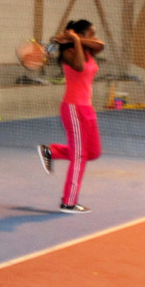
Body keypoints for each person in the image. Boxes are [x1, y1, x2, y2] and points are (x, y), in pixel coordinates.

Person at [37, 19, 104, 213]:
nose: (95, 36)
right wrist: (73, 41)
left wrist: (76, 38)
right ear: (82, 34)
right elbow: (80, 67)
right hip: (73, 108)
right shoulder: (68, 53)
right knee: (80, 156)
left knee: (93, 152)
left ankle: (51, 151)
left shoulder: (91, 49)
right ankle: (68, 202)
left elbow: (101, 45)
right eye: (91, 33)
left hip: (87, 109)